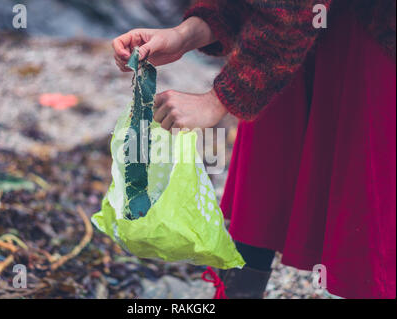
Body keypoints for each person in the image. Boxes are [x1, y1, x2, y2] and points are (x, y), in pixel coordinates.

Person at [112, 0, 396, 299]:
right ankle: (240, 289)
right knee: (269, 158)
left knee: (369, 195)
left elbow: (295, 10)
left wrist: (218, 99)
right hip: (302, 28)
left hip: (374, 30)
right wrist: (186, 34)